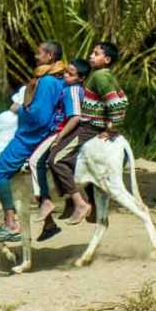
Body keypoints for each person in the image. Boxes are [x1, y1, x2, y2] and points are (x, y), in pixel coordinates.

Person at [0, 41, 66, 244]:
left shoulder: (47, 82)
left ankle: (12, 224)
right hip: (37, 133)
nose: (36, 56)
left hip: (32, 136)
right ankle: (48, 223)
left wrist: (20, 109)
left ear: (49, 56)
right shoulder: (55, 78)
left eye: (39, 53)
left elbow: (39, 116)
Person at [49, 42, 129, 226]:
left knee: (56, 159)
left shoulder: (100, 77)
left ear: (106, 60)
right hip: (93, 127)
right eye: (92, 53)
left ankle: (80, 204)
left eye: (96, 53)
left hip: (88, 129)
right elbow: (124, 100)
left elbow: (116, 104)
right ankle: (78, 202)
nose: (91, 56)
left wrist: (112, 128)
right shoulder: (105, 76)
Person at [34, 58, 90, 242]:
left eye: (70, 74)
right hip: (68, 130)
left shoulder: (73, 90)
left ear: (80, 78)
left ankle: (79, 202)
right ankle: (68, 200)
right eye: (65, 72)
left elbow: (75, 117)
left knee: (55, 160)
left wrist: (60, 136)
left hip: (75, 130)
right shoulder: (68, 88)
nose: (65, 75)